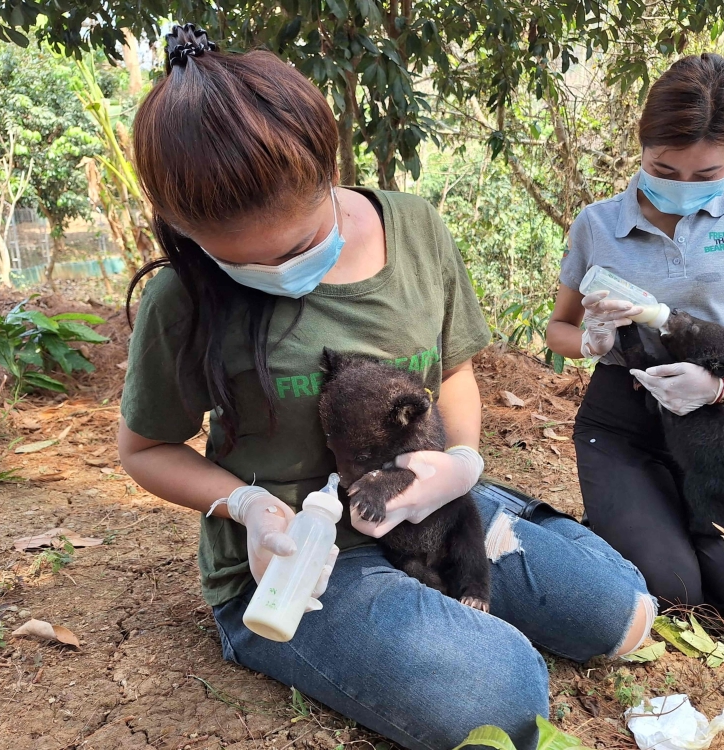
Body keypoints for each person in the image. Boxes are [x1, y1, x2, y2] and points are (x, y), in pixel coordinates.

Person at [117, 24, 653, 750]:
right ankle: (352, 619)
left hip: (427, 501)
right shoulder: (181, 300)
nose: (283, 275)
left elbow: (455, 371)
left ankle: (466, 563)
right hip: (295, 555)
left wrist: (459, 464)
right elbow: (146, 448)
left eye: (301, 244)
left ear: (326, 174)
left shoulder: (414, 228)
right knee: (504, 701)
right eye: (248, 263)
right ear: (187, 229)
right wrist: (245, 508)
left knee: (619, 614)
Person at [546, 53, 724, 625]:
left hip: (713, 420)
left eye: (706, 175)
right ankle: (640, 515)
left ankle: (683, 515)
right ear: (643, 148)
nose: (683, 186)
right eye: (664, 169)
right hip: (621, 423)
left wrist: (718, 385)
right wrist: (590, 344)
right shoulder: (597, 224)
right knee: (672, 592)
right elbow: (557, 328)